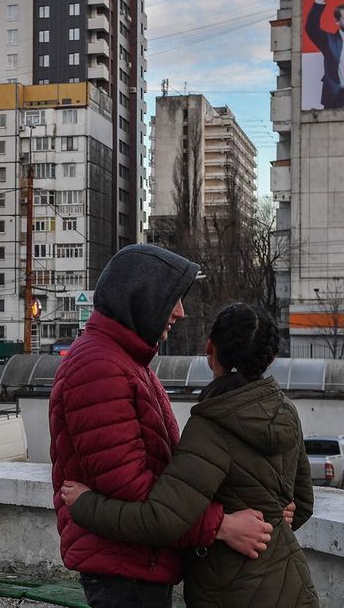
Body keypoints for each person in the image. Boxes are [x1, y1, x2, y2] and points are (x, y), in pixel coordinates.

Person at [49, 245, 275, 607]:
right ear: (140, 297)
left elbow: (168, 472)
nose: (181, 312)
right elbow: (134, 490)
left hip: (140, 560)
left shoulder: (127, 362)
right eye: (173, 299)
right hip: (124, 567)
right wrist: (221, 526)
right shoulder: (99, 368)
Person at [60, 303, 318, 608]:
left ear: (210, 348)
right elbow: (301, 504)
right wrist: (273, 521)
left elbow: (161, 519)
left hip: (232, 594)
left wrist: (85, 504)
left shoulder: (213, 425)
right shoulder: (285, 411)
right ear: (270, 358)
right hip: (292, 584)